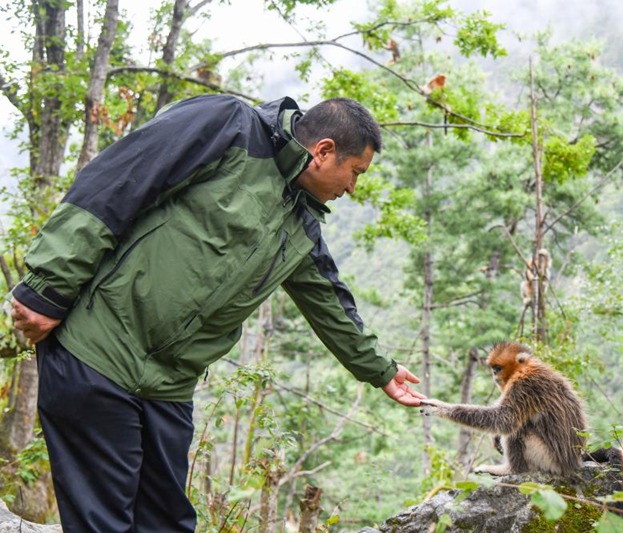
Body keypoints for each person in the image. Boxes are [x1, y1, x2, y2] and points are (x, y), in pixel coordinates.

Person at [9, 94, 425, 532]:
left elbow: (330, 303)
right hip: (96, 352)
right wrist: (48, 288)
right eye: (355, 172)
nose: (353, 188)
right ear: (323, 151)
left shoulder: (300, 222)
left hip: (168, 386)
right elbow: (120, 179)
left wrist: (381, 371)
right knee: (104, 522)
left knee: (167, 523)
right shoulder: (230, 127)